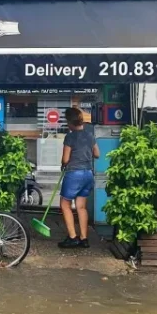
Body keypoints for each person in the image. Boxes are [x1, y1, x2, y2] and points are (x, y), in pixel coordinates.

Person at [58, 107, 99, 249]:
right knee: (81, 207)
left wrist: (63, 164)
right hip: (88, 174)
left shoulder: (70, 137)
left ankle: (72, 237)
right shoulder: (89, 135)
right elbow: (97, 154)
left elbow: (65, 159)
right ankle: (84, 238)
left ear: (70, 122)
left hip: (74, 173)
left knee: (65, 204)